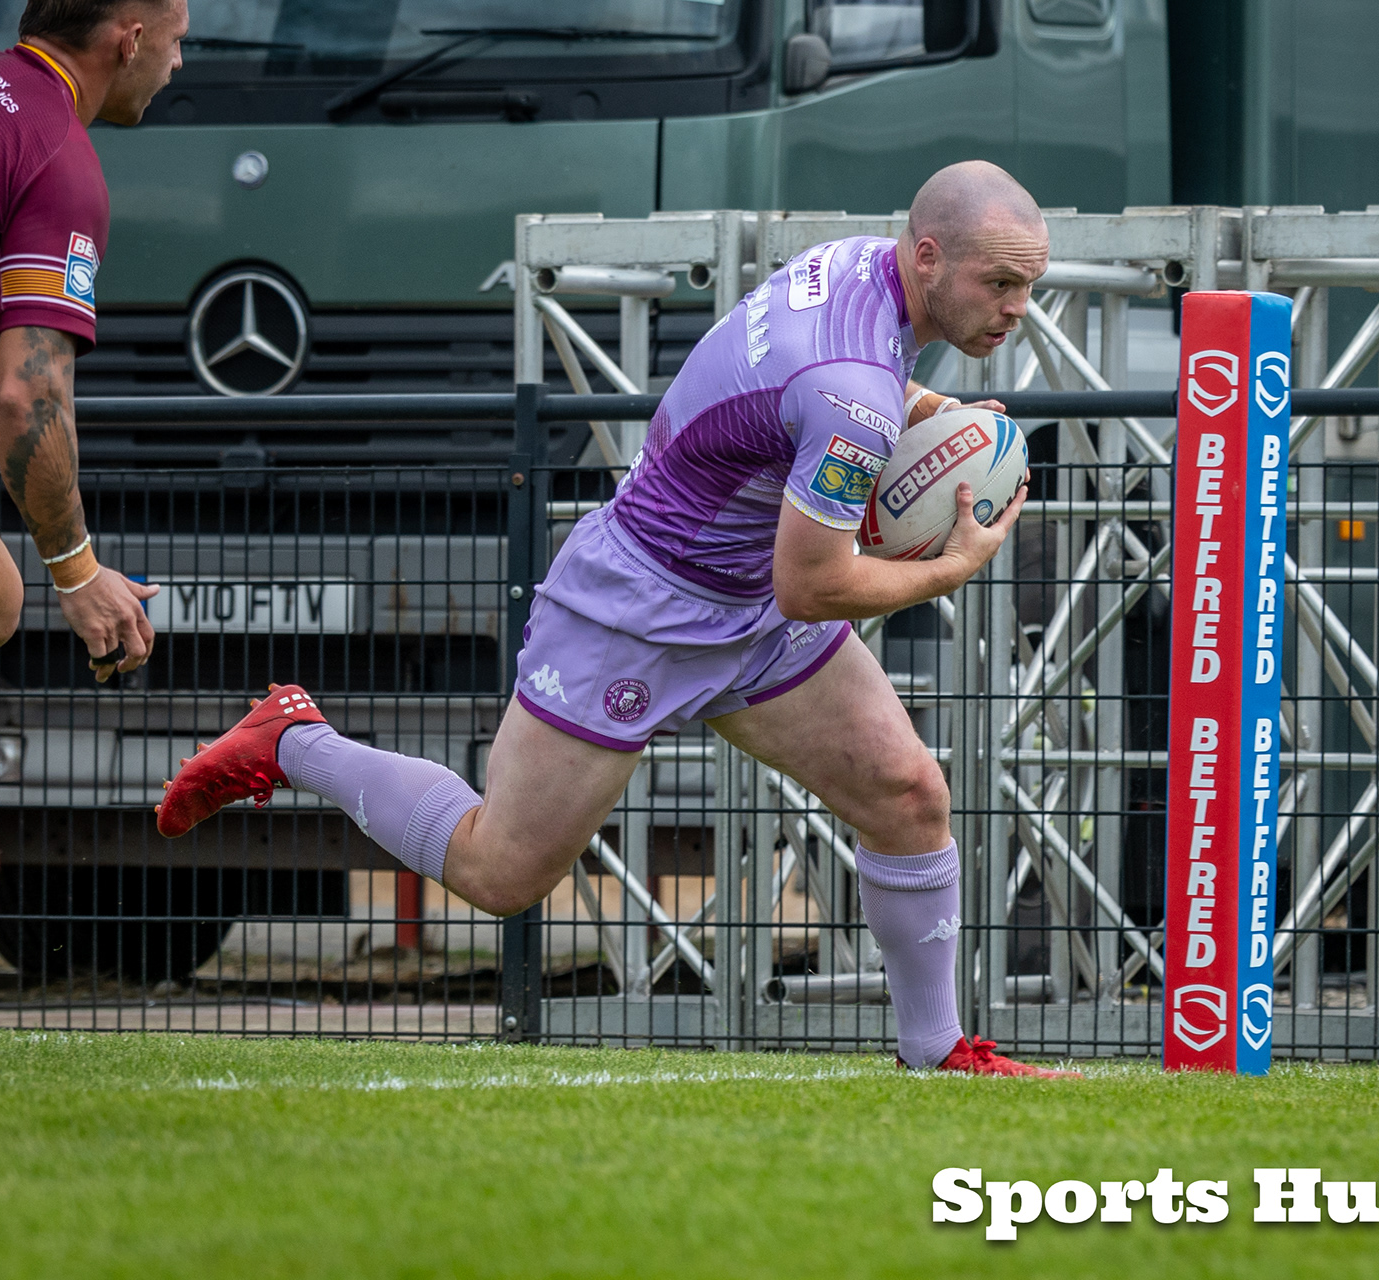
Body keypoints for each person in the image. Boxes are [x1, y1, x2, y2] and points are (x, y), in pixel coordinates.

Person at [159, 160, 1077, 1078]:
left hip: (748, 601)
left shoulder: (862, 272)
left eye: (1028, 284)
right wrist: (952, 567)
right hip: (639, 605)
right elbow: (813, 583)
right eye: (999, 283)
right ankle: (294, 741)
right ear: (928, 256)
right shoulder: (851, 392)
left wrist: (933, 410)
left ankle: (939, 1051)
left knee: (908, 795)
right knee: (498, 873)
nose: (1017, 309)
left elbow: (817, 405)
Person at [0, 0, 188, 776]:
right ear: (129, 42)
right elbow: (28, 397)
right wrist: (78, 572)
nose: (177, 65)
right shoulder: (58, 161)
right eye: (176, 43)